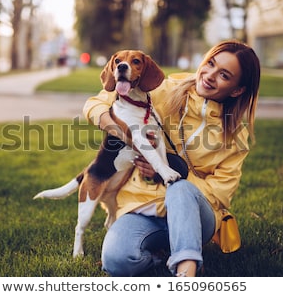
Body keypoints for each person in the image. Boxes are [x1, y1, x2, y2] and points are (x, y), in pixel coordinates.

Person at [83, 40, 260, 276]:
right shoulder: (166, 89)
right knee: (117, 260)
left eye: (224, 75)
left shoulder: (236, 135)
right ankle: (163, 258)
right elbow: (99, 101)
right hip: (143, 207)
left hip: (197, 217)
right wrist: (116, 128)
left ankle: (186, 270)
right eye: (210, 64)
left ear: (237, 90)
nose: (209, 75)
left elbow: (220, 194)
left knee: (179, 188)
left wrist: (171, 173)